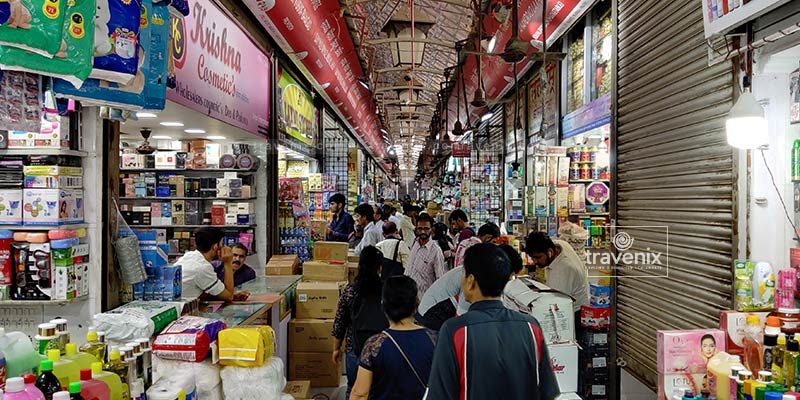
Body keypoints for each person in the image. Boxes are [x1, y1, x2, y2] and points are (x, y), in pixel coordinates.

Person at [425, 243, 560, 400]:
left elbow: (440, 395)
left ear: (471, 280)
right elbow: (547, 392)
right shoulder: (530, 326)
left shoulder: (454, 330)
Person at [350, 276, 437, 400]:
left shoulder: (374, 345)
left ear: (384, 306)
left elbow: (360, 394)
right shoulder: (435, 339)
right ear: (415, 305)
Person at [415, 229, 507, 331]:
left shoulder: (473, 270)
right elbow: (462, 318)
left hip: (436, 309)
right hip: (430, 314)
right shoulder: (471, 278)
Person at [332, 246, 389, 398]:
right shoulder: (386, 291)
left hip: (355, 348)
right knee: (378, 392)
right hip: (382, 350)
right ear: (379, 267)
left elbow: (339, 322)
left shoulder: (350, 291)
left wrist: (335, 349)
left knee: (353, 389)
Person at [178, 227, 250, 302]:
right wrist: (228, 263)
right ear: (215, 247)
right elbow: (229, 297)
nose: (224, 248)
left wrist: (228, 295)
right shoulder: (202, 267)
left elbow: (202, 293)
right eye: (222, 244)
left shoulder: (189, 256)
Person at [525, 232, 590, 313]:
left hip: (575, 312)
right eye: (532, 257)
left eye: (538, 257)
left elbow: (556, 304)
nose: (535, 261)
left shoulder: (564, 270)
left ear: (550, 252)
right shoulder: (559, 245)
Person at [405, 213, 447, 300]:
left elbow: (440, 279)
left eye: (426, 228)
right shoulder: (414, 243)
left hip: (424, 300)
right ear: (416, 230)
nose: (423, 232)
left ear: (432, 230)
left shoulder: (436, 251)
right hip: (408, 297)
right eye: (420, 228)